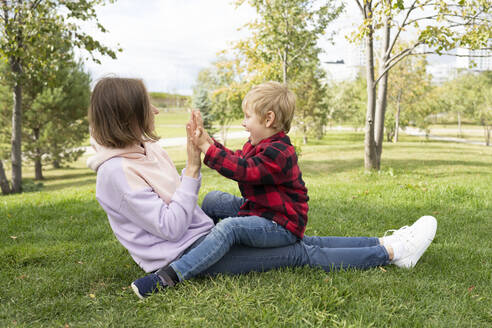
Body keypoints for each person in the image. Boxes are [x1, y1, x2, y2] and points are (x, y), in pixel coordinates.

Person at [87, 77, 437, 300]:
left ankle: (386, 243)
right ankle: (390, 251)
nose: (158, 110)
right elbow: (172, 225)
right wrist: (198, 162)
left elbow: (235, 171)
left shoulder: (149, 149)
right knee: (301, 252)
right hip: (181, 251)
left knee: (282, 235)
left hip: (225, 228)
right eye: (148, 105)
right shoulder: (116, 173)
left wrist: (206, 149)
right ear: (128, 115)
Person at [133, 81, 308, 292]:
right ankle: (208, 246)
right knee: (213, 200)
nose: (244, 123)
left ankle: (170, 276)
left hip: (282, 225)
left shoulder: (279, 152)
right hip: (263, 211)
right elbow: (236, 157)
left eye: (247, 117)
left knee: (230, 227)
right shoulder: (258, 145)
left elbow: (244, 169)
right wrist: (207, 139)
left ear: (269, 119)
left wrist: (206, 148)